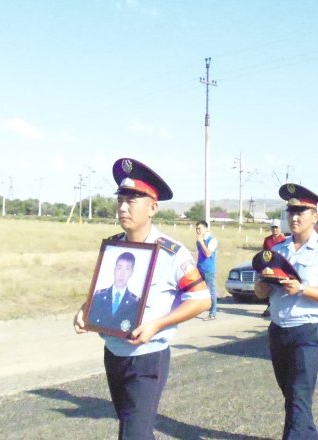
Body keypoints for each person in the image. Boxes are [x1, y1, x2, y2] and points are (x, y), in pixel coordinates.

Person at [73, 157, 211, 439]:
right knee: (134, 429)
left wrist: (157, 325)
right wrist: (84, 311)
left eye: (132, 200)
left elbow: (202, 300)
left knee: (133, 434)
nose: (123, 207)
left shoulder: (172, 253)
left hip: (147, 358)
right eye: (120, 200)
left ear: (153, 207)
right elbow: (103, 292)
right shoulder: (114, 248)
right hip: (114, 354)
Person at [254, 183, 318, 440]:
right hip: (279, 330)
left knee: (299, 396)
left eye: (301, 212)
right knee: (292, 396)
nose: (294, 217)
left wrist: (302, 289)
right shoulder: (277, 252)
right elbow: (262, 294)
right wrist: (262, 284)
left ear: (314, 217)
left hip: (307, 330)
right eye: (290, 212)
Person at [87, 252, 141, 333]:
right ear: (114, 270)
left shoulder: (135, 302)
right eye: (119, 268)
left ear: (131, 273)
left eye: (127, 269)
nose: (122, 273)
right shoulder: (99, 296)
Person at [261, 219, 287, 317]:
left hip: (279, 267)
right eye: (273, 228)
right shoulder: (267, 240)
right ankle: (269, 306)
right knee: (269, 287)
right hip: (269, 267)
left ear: (280, 228)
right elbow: (264, 253)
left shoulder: (283, 239)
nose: (275, 230)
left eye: (276, 228)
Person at [196, 220, 219, 320]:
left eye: (199, 229)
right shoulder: (198, 241)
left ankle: (213, 313)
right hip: (200, 268)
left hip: (209, 270)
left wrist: (201, 242)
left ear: (205, 229)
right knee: (198, 290)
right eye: (196, 229)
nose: (198, 231)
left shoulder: (212, 240)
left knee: (211, 291)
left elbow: (208, 253)